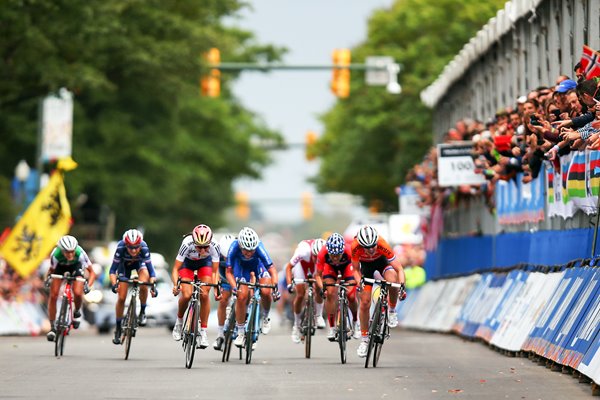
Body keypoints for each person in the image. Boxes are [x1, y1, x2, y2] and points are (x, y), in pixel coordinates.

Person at [351, 225, 405, 358]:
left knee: (392, 281)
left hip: (382, 263)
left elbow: (399, 269)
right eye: (366, 248)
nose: (370, 250)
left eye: (372, 246)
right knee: (364, 303)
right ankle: (364, 340)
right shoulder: (355, 246)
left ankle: (391, 311)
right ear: (361, 245)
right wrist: (360, 283)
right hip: (366, 268)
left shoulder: (382, 244)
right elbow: (356, 270)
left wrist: (402, 286)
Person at [225, 227, 279, 348]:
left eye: (252, 250)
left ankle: (265, 317)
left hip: (258, 266)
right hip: (241, 268)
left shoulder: (259, 247)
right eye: (245, 250)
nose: (249, 253)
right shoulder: (234, 247)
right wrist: (234, 287)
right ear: (240, 246)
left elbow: (272, 270)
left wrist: (275, 285)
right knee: (242, 296)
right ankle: (240, 332)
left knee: (266, 291)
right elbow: (228, 272)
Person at [171, 224, 220, 349]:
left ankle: (203, 332)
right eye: (199, 247)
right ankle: (179, 322)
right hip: (186, 264)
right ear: (194, 242)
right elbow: (176, 268)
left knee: (204, 294)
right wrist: (176, 285)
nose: (203, 251)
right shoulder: (186, 243)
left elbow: (215, 272)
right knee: (186, 295)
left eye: (205, 247)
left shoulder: (215, 245)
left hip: (205, 264)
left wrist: (216, 288)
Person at [109, 229, 157, 345]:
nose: (134, 250)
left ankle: (142, 311)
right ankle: (118, 328)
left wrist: (153, 285)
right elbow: (112, 270)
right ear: (126, 245)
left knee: (144, 284)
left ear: (140, 245)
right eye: (130, 247)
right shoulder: (120, 248)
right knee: (121, 297)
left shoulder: (144, 247)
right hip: (124, 267)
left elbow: (152, 272)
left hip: (140, 265)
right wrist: (114, 284)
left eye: (136, 247)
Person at [45, 235, 96, 341]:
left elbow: (92, 272)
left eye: (72, 251)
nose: (70, 254)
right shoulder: (55, 254)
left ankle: (77, 312)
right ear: (61, 250)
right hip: (60, 267)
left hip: (76, 267)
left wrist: (88, 285)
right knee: (53, 295)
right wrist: (47, 279)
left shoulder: (80, 253)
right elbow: (51, 269)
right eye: (67, 252)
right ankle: (52, 327)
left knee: (77, 292)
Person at [315, 232, 359, 341]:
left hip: (347, 267)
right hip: (330, 268)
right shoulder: (322, 253)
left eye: (338, 255)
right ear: (328, 251)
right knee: (329, 293)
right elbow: (318, 276)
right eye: (332, 255)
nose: (335, 258)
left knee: (351, 296)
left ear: (342, 251)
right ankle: (332, 328)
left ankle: (355, 322)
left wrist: (358, 283)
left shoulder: (349, 251)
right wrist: (322, 288)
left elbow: (357, 271)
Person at [284, 238, 326, 343]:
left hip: (318, 268)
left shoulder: (326, 252)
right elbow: (289, 268)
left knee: (320, 288)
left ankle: (319, 316)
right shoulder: (303, 251)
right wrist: (289, 284)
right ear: (313, 253)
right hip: (302, 265)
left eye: (319, 257)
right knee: (300, 294)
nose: (317, 259)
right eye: (316, 257)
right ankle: (296, 325)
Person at [212, 233, 236, 351]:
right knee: (223, 300)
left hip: (237, 273)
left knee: (243, 296)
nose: (226, 259)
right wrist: (217, 286)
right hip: (223, 275)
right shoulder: (216, 251)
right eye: (224, 257)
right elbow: (214, 271)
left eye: (228, 256)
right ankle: (220, 335)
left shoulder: (238, 250)